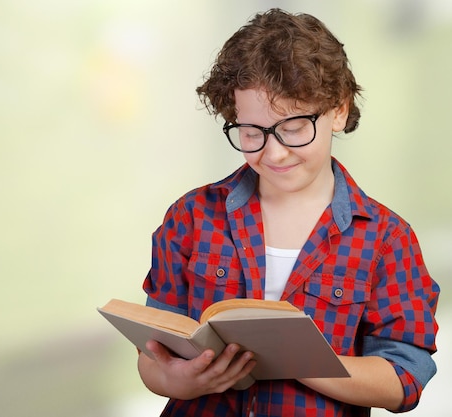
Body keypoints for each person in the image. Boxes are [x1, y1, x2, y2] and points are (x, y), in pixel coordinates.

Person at [138, 8, 439, 417]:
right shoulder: (192, 216)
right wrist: (178, 380)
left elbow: (404, 379)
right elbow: (153, 355)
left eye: (293, 128)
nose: (273, 152)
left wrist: (295, 359)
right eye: (251, 132)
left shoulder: (386, 238)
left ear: (338, 110)